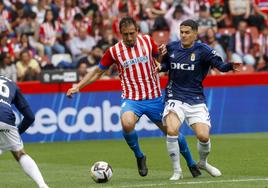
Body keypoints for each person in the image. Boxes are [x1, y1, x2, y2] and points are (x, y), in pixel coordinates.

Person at [66, 16, 201, 178]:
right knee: (127, 123)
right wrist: (78, 86)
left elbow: (160, 59)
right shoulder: (114, 51)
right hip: (131, 98)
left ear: (137, 31)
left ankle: (191, 163)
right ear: (120, 34)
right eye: (125, 35)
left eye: (131, 33)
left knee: (173, 132)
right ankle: (139, 155)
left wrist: (161, 57)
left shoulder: (148, 41)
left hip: (155, 98)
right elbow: (97, 72)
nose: (129, 38)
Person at [157, 19, 240, 180]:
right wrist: (161, 67)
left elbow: (220, 66)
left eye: (187, 32)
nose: (183, 35)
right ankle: (177, 171)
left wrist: (229, 66)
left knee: (203, 137)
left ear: (195, 34)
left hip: (195, 99)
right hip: (175, 97)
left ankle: (202, 162)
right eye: (181, 32)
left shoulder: (204, 50)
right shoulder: (172, 47)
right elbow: (167, 65)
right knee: (172, 130)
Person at [0, 75, 49, 188]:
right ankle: (42, 185)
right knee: (19, 153)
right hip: (5, 117)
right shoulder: (11, 83)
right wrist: (17, 132)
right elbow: (30, 117)